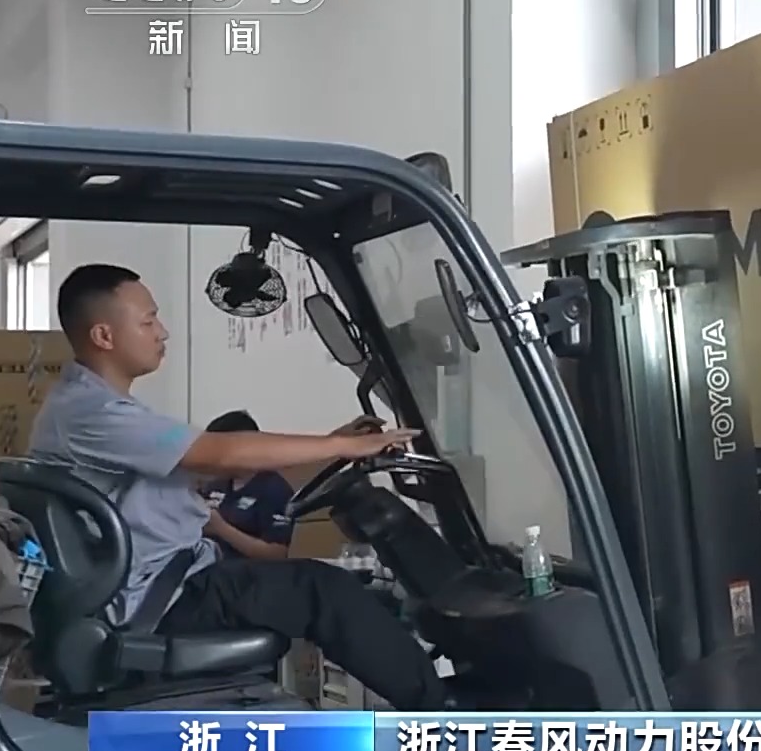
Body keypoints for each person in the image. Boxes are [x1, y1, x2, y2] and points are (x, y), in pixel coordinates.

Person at [28, 263, 451, 710]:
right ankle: (443, 715)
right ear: (104, 336)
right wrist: (343, 444)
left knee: (327, 592)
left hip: (168, 578)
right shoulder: (96, 415)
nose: (162, 332)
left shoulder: (90, 408)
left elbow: (217, 468)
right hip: (164, 598)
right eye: (149, 321)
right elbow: (220, 453)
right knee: (322, 588)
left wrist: (333, 448)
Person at [199, 411, 296, 562]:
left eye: (219, 450)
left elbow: (276, 554)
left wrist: (221, 528)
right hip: (203, 564)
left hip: (246, 573)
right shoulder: (216, 483)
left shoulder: (274, 490)